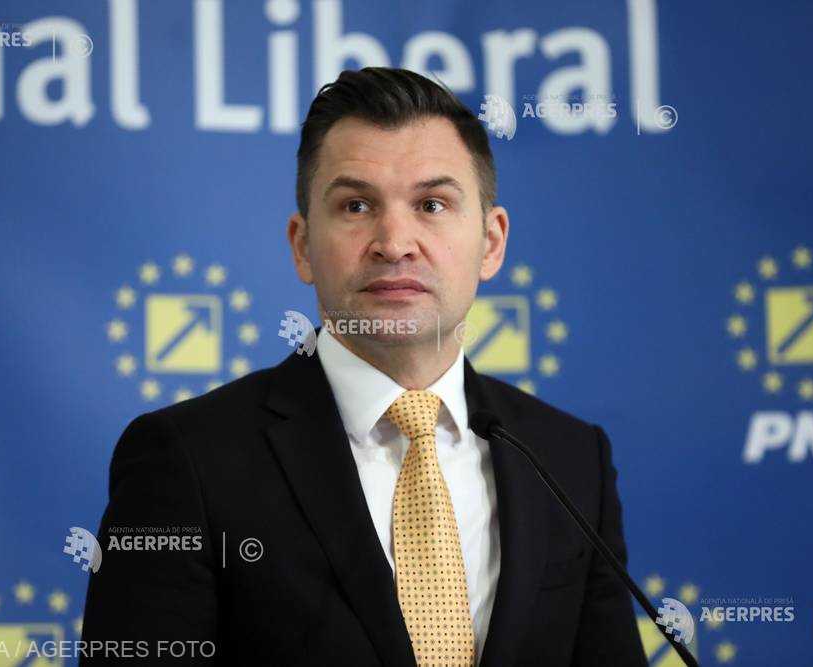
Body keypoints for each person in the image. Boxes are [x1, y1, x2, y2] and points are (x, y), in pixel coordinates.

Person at [81, 66, 647, 666]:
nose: (394, 242)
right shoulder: (187, 460)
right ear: (302, 245)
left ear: (491, 242)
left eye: (432, 204)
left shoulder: (569, 459)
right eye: (356, 205)